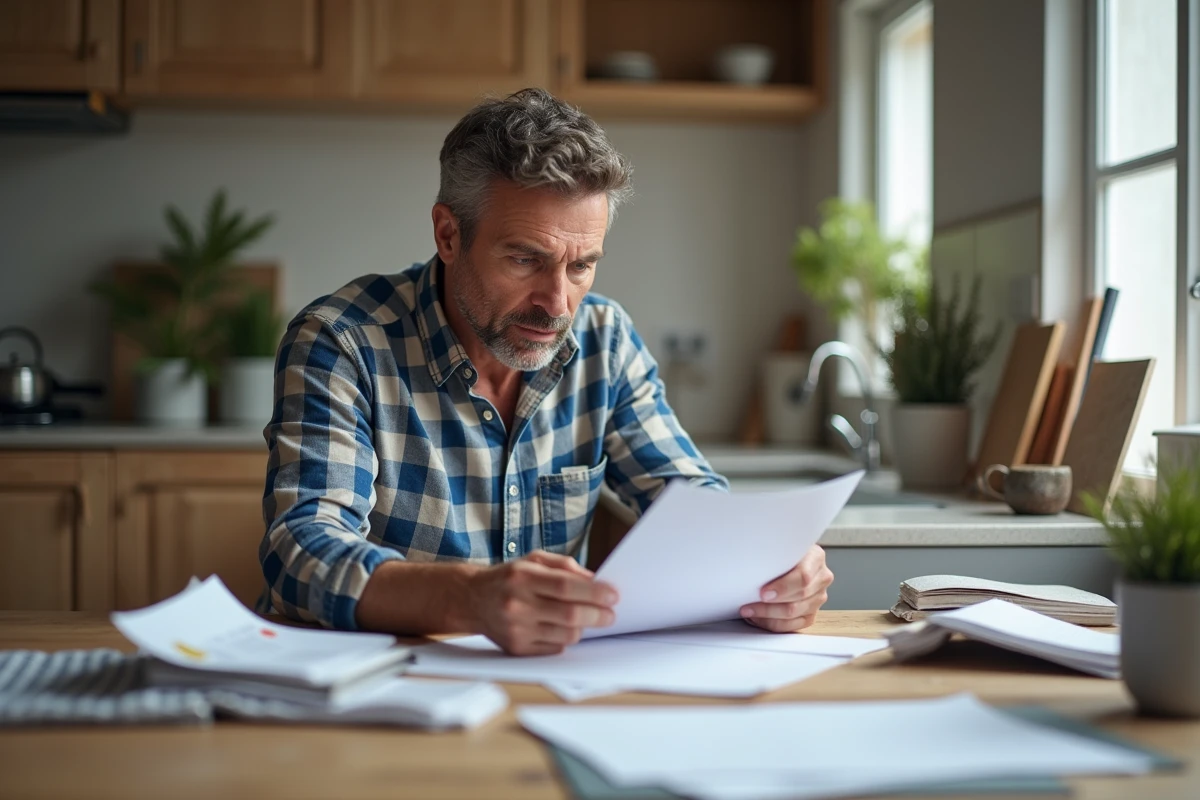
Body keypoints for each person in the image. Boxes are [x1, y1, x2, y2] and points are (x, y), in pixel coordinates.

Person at [259, 88, 833, 655]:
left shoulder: (604, 339)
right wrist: (469, 598)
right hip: (375, 690)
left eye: (581, 266)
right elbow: (302, 551)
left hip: (547, 687)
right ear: (448, 235)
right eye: (525, 259)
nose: (558, 304)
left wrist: (768, 562)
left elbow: (689, 501)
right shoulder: (342, 341)